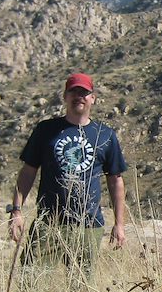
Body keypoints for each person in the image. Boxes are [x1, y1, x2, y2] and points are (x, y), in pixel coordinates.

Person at [8, 72, 127, 273]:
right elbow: (28, 173)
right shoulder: (46, 130)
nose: (79, 96)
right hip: (49, 222)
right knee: (32, 279)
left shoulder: (105, 135)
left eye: (84, 92)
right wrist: (16, 211)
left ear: (93, 98)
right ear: (65, 97)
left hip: (88, 225)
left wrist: (119, 225)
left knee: (80, 288)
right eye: (74, 92)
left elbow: (115, 181)